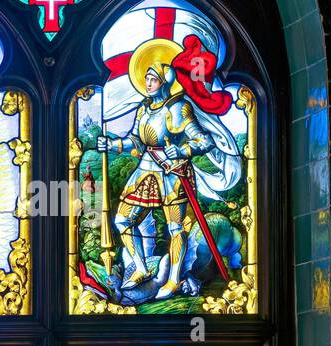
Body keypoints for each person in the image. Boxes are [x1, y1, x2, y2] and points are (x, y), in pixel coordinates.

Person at [96, 35, 241, 299]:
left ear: (164, 81)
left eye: (152, 79)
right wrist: (113, 144)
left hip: (172, 173)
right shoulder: (143, 109)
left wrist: (183, 150)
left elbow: (203, 140)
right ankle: (140, 268)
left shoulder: (178, 109)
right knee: (122, 220)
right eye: (147, 79)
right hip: (145, 171)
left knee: (176, 229)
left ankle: (173, 280)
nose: (147, 83)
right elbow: (135, 141)